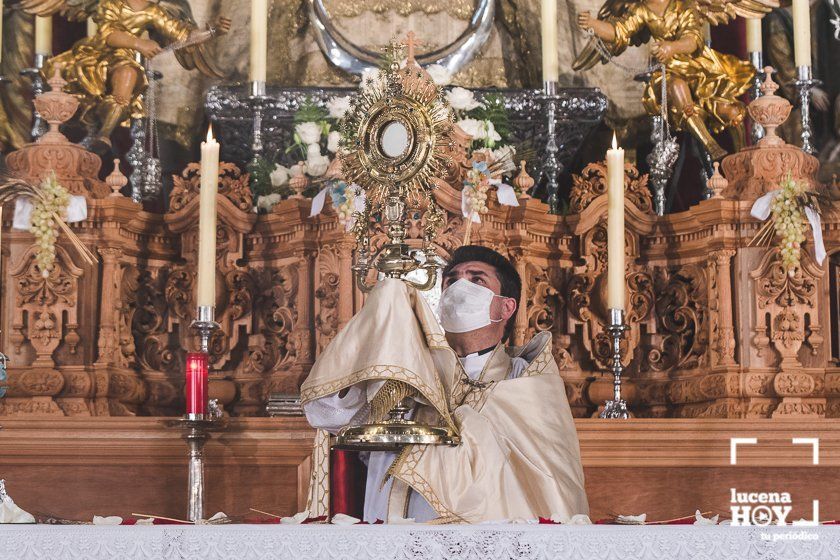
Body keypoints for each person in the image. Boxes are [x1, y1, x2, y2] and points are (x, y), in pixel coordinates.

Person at [302, 245, 589, 523]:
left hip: (487, 536)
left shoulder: (526, 378)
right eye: (451, 280)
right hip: (393, 525)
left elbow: (551, 479)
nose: (459, 288)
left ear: (506, 307)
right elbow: (326, 414)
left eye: (476, 279)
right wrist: (379, 321)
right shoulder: (408, 368)